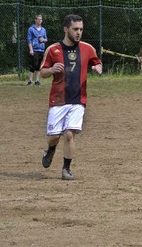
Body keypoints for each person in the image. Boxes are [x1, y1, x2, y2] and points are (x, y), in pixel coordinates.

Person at [40, 14, 103, 180]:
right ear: (66, 29)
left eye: (81, 29)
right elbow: (43, 72)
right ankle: (51, 150)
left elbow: (97, 62)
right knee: (54, 136)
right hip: (58, 100)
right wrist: (51, 69)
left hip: (78, 100)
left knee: (69, 134)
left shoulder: (88, 48)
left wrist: (98, 67)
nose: (79, 32)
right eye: (75, 29)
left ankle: (66, 169)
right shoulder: (53, 50)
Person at [27, 14, 48, 85]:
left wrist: (43, 40)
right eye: (38, 19)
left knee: (39, 66)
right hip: (34, 49)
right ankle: (30, 81)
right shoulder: (31, 29)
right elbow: (29, 40)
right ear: (35, 20)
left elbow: (46, 39)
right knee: (33, 65)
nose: (39, 21)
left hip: (41, 50)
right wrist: (31, 49)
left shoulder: (43, 29)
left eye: (41, 19)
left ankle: (37, 81)